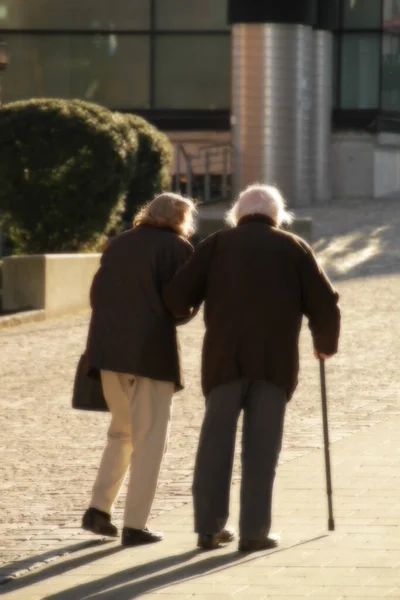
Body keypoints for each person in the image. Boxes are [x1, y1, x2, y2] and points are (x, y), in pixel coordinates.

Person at [163, 183, 341, 553]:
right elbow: (326, 303)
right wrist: (324, 345)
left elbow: (178, 296)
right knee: (262, 448)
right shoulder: (293, 247)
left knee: (215, 444)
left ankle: (209, 530)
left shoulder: (216, 244)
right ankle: (254, 532)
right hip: (274, 363)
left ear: (238, 214)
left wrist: (190, 310)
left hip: (223, 361)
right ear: (278, 217)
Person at [81, 193, 198, 547]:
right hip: (151, 355)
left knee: (122, 432)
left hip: (107, 352)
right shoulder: (178, 248)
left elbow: (96, 294)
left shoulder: (117, 244)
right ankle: (135, 524)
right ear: (181, 220)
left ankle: (99, 510)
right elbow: (181, 302)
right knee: (150, 440)